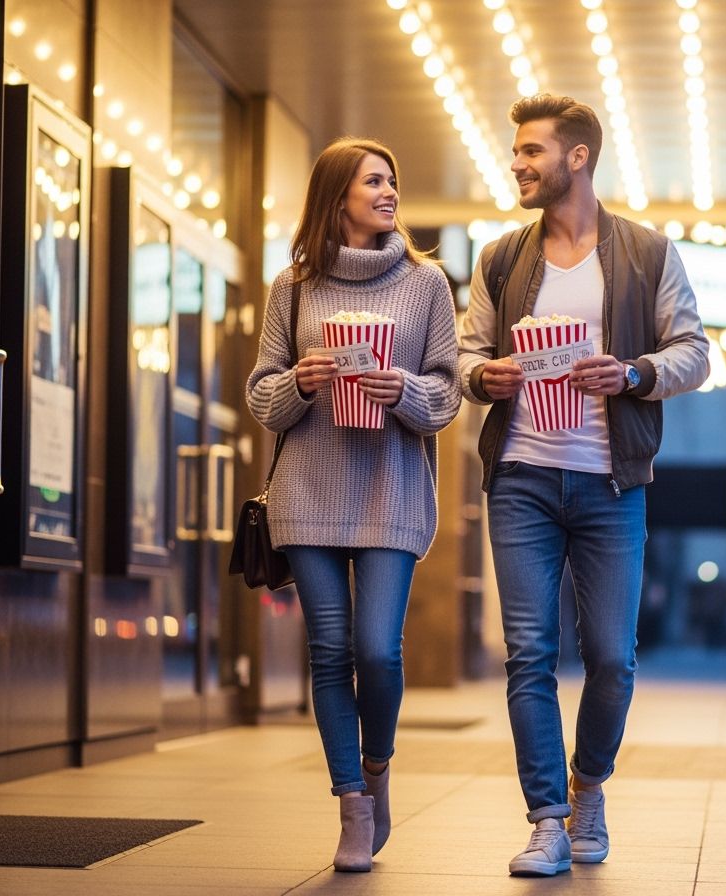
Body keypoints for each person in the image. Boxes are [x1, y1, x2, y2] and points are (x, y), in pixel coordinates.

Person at [456, 94, 709, 876]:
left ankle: (588, 784)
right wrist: (481, 377)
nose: (517, 163)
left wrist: (633, 373)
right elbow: (464, 356)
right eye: (516, 151)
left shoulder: (646, 253)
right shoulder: (501, 258)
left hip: (610, 483)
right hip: (524, 478)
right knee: (529, 653)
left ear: (578, 157)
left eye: (531, 150)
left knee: (611, 658)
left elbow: (694, 353)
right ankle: (546, 819)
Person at [245, 137, 461, 872]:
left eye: (392, 179)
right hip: (307, 491)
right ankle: (352, 809)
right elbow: (261, 396)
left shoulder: (427, 285)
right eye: (374, 180)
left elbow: (446, 396)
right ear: (338, 196)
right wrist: (300, 383)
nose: (389, 190)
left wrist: (402, 389)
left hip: (390, 490)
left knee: (377, 648)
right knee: (331, 651)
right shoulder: (293, 287)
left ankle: (377, 769)